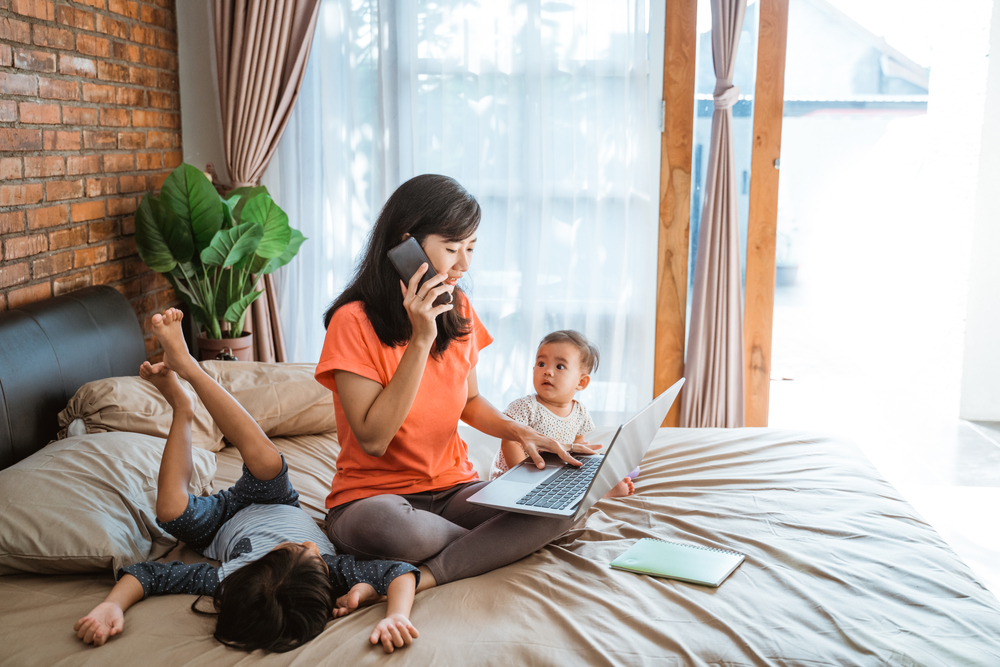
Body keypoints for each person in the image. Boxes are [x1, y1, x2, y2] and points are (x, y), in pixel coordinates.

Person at [74, 309, 432, 654]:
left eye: (294, 548)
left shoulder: (227, 579)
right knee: (267, 460)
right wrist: (395, 613)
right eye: (315, 555)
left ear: (260, 564)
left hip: (218, 526)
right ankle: (191, 369)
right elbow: (399, 572)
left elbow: (149, 575)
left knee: (169, 511)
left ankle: (182, 408)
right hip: (273, 500)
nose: (310, 543)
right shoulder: (334, 574)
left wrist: (111, 606)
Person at [316, 174, 600, 590]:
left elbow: (470, 402)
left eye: (470, 248)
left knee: (567, 503)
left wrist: (524, 432)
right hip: (373, 500)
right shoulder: (352, 321)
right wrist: (421, 339)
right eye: (452, 249)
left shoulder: (459, 305)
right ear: (405, 244)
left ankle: (427, 575)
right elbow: (374, 438)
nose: (463, 265)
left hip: (453, 490)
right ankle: (491, 547)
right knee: (400, 532)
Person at [488, 330, 636, 497]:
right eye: (541, 364)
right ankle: (595, 493)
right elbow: (509, 443)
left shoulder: (580, 411)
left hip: (551, 475)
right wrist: (526, 482)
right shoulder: (525, 407)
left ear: (581, 382)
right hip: (513, 478)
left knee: (577, 475)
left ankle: (595, 490)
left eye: (559, 366)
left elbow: (577, 447)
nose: (547, 371)